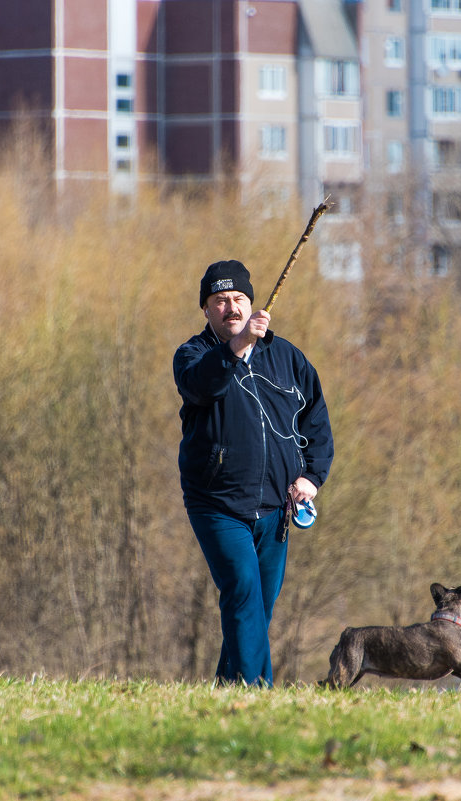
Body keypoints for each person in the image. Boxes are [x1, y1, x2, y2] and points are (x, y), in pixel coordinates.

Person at [173, 259, 333, 686]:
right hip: (217, 505)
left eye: (239, 299)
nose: (231, 308)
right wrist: (237, 346)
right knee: (242, 591)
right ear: (205, 309)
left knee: (259, 606)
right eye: (220, 301)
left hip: (276, 509)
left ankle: (228, 689)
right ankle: (257, 692)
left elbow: (315, 420)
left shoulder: (287, 357)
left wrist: (311, 478)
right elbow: (202, 386)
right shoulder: (193, 356)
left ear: (252, 302)